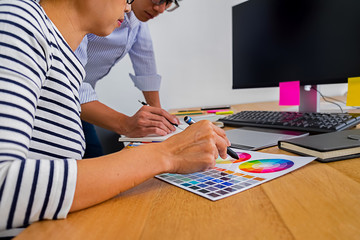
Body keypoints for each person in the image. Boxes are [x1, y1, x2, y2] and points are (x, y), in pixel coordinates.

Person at [0, 0, 230, 237]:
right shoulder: (19, 22)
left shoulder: (70, 59)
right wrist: (168, 153)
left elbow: (147, 69)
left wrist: (165, 133)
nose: (129, 8)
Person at [75, 0, 181, 158]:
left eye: (168, 3)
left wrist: (159, 120)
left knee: (94, 154)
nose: (161, 9)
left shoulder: (137, 20)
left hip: (83, 99)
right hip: (63, 96)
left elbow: (146, 67)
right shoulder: (86, 13)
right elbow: (70, 85)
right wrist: (126, 124)